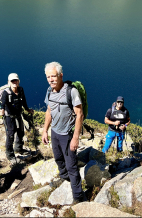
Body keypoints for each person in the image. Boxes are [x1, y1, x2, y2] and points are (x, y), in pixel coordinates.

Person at [42, 62, 85, 203]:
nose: (50, 79)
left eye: (53, 76)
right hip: (54, 132)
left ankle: (78, 197)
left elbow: (80, 114)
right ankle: (66, 179)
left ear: (61, 75)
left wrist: (75, 138)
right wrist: (44, 131)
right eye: (48, 77)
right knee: (59, 160)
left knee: (71, 166)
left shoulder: (71, 91)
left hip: (67, 134)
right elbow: (49, 110)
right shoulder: (49, 91)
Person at [0, 73, 34, 164]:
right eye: (12, 81)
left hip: (18, 115)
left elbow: (24, 100)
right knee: (10, 136)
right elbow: (2, 103)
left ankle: (18, 148)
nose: (14, 82)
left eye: (16, 80)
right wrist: (1, 110)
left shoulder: (21, 90)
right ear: (9, 82)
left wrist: (27, 109)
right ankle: (10, 155)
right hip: (9, 118)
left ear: (19, 81)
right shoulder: (6, 93)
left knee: (21, 133)